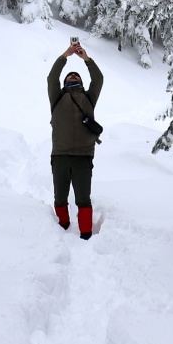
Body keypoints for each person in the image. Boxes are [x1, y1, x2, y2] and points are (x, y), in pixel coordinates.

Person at [47, 38, 102, 239]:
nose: (72, 76)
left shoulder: (88, 98)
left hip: (83, 157)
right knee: (60, 198)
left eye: (76, 75)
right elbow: (52, 78)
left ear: (81, 82)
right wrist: (66, 55)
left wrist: (86, 59)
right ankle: (62, 227)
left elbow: (98, 79)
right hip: (60, 156)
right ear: (64, 82)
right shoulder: (57, 97)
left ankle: (85, 234)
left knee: (83, 199)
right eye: (70, 75)